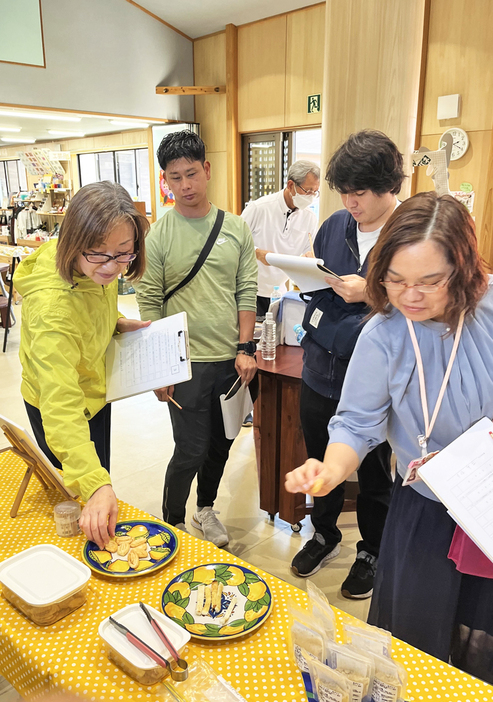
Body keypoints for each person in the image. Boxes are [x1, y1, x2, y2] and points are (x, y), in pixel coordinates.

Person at [286, 192, 493, 683]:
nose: (410, 296)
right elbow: (356, 422)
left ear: (462, 271)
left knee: (480, 639)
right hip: (425, 511)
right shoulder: (383, 335)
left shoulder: (487, 314)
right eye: (395, 280)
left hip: (487, 507)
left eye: (429, 282)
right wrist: (330, 469)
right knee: (417, 642)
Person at [291, 131, 404, 599]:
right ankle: (324, 534)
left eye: (359, 192)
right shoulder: (335, 224)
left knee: (375, 470)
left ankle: (372, 550)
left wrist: (372, 293)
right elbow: (318, 283)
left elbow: (426, 306)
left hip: (377, 378)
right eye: (343, 191)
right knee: (321, 457)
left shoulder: (409, 231)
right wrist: (303, 274)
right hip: (320, 366)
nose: (349, 201)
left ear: (387, 186)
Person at [135, 130, 257, 548]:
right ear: (164, 180)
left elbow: (246, 290)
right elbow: (148, 299)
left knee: (221, 444)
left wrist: (245, 348)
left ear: (207, 170)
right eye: (175, 177)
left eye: (191, 174)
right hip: (183, 363)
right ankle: (171, 522)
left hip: (229, 361)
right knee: (190, 447)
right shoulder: (160, 234)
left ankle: (205, 508)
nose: (185, 185)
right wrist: (157, 368)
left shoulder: (236, 228)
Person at [14, 182, 150, 548]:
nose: (112, 268)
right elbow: (60, 409)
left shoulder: (91, 266)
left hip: (93, 392)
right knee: (82, 492)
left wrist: (115, 322)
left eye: (124, 254)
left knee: (96, 479)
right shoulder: (51, 312)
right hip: (59, 407)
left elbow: (91, 301)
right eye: (99, 255)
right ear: (75, 242)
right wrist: (95, 484)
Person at [241, 160, 319, 319]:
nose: (311, 197)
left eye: (315, 192)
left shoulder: (309, 217)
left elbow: (307, 249)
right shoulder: (259, 208)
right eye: (308, 191)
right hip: (250, 291)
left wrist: (309, 257)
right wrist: (257, 252)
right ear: (291, 185)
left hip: (279, 293)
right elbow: (234, 241)